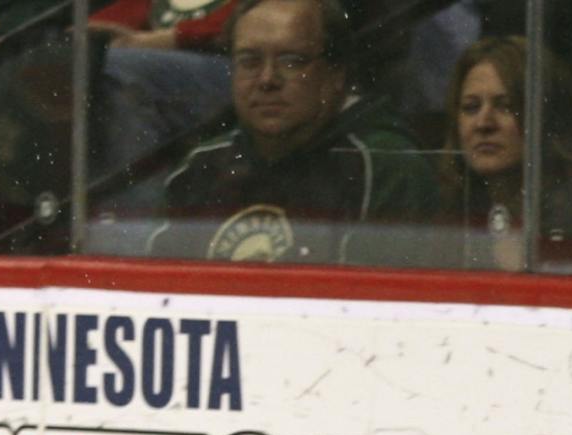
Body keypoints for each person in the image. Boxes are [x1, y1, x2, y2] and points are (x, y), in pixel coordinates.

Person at [145, 0, 440, 263]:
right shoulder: (200, 167)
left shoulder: (388, 167)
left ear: (336, 74)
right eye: (249, 61)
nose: (267, 80)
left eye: (291, 61)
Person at [437, 36, 572, 268]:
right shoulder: (457, 209)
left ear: (546, 118)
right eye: (471, 107)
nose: (484, 123)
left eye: (506, 106)